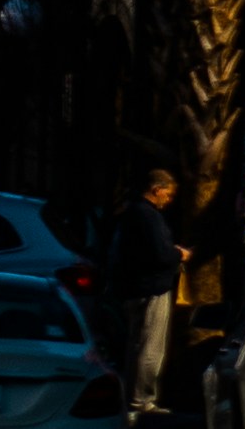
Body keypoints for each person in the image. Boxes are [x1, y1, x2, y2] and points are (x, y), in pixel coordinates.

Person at [99, 167, 181, 420]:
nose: (168, 201)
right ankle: (142, 400)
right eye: (167, 195)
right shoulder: (149, 217)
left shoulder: (131, 214)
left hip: (133, 289)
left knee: (136, 345)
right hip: (151, 288)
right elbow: (161, 254)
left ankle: (134, 399)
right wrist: (180, 254)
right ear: (156, 190)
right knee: (149, 347)